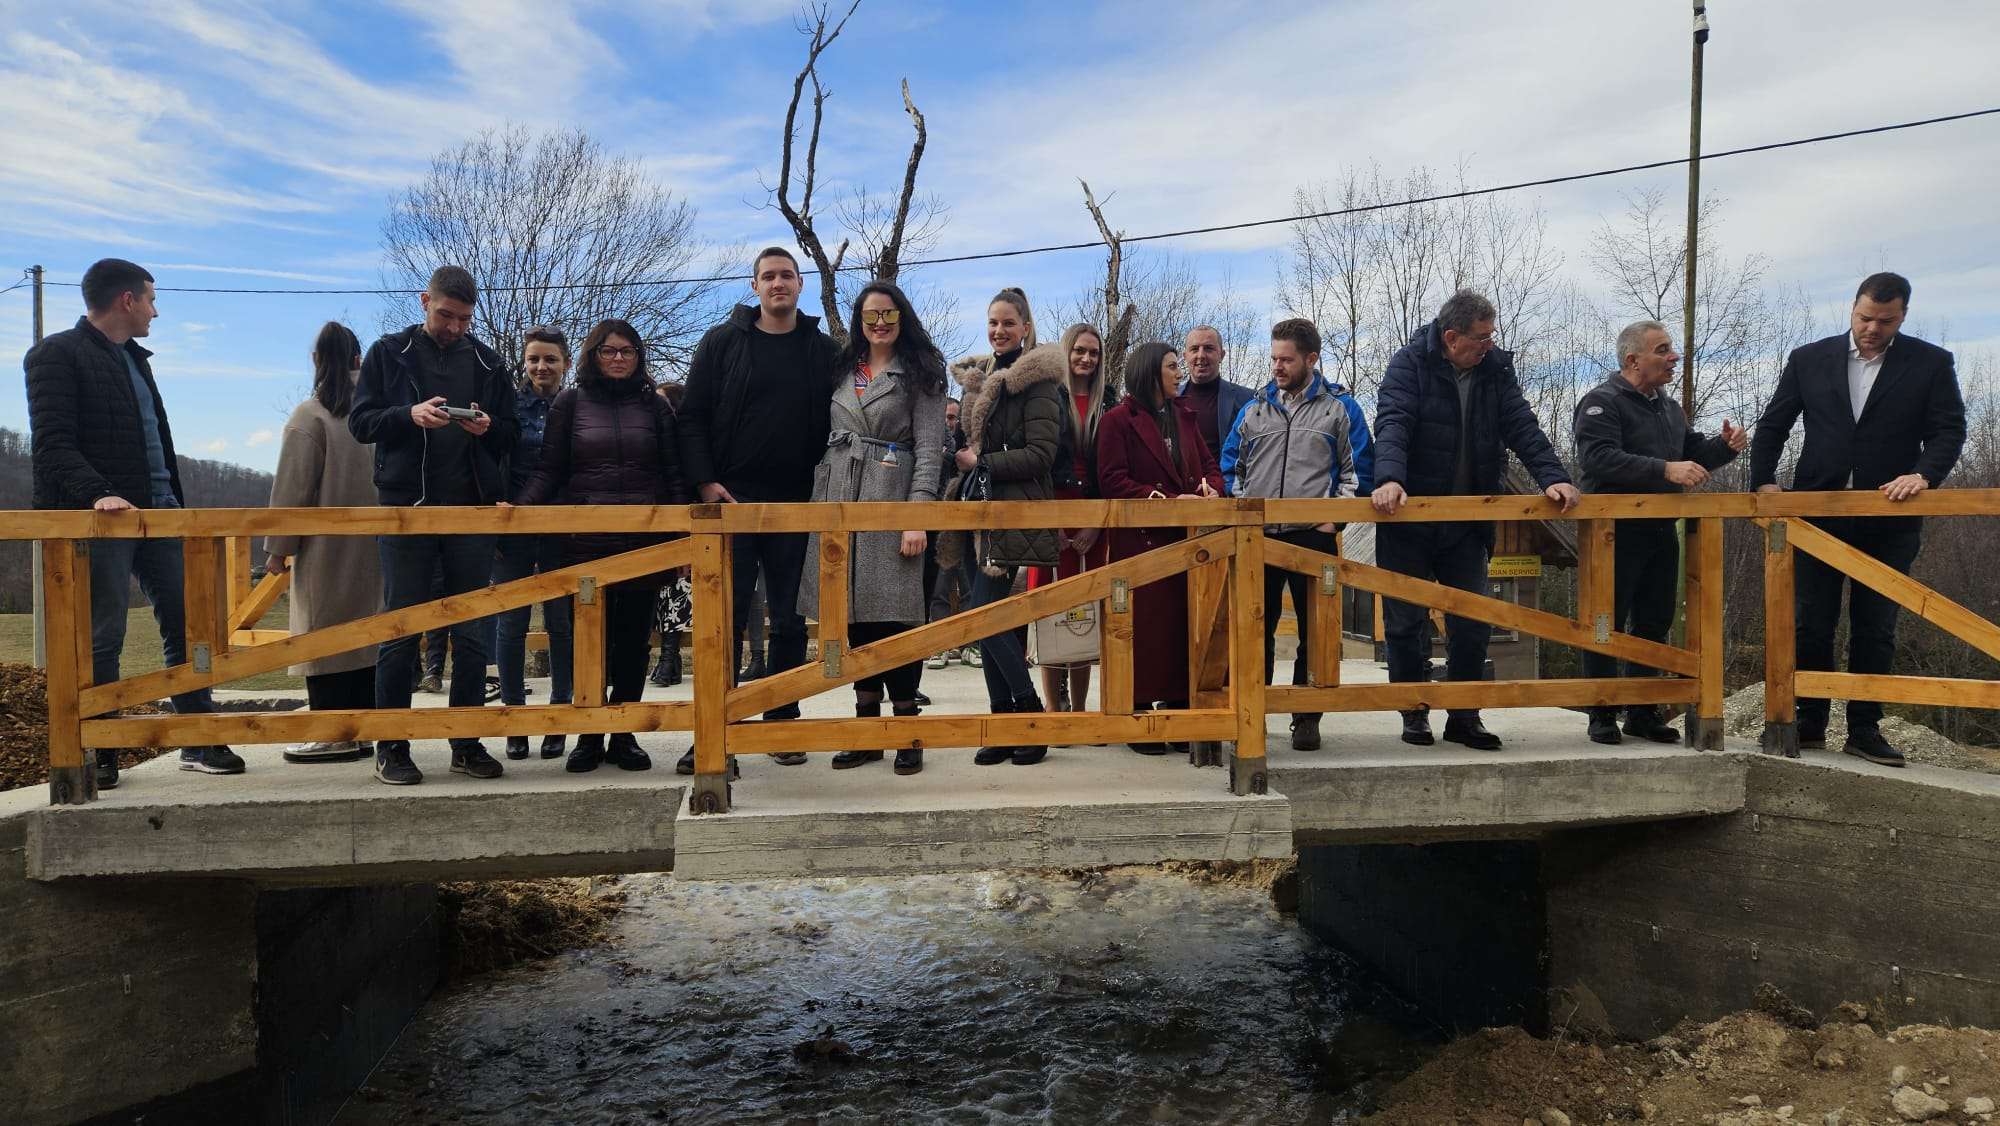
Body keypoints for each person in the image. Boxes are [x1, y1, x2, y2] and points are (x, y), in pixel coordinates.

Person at [24, 257, 243, 786]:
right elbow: (52, 446)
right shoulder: (54, 354)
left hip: (161, 514)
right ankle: (102, 748)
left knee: (191, 625)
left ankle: (198, 737)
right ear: (126, 300)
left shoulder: (137, 360)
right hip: (102, 521)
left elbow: (153, 445)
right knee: (103, 635)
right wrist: (100, 494)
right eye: (150, 298)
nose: (155, 310)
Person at [1749, 272, 1966, 767]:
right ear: (1853, 308)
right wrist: (1764, 482)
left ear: (1902, 317)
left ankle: (1865, 728)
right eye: (1865, 317)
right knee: (1810, 622)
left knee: (1876, 626)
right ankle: (1808, 721)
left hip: (1889, 516)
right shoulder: (1808, 358)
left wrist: (1924, 475)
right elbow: (1774, 423)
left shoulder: (1931, 363)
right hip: (1816, 515)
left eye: (1884, 321)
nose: (1872, 328)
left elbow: (1949, 429)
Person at [1370, 290, 1577, 750]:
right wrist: (1389, 478)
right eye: (1481, 337)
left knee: (1474, 620)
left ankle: (1465, 715)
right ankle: (1414, 711)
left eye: (1491, 335)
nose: (1489, 343)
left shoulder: (1496, 370)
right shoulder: (1409, 365)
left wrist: (1553, 478)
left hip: (1467, 522)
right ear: (1450, 337)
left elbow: (1523, 425)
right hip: (1409, 519)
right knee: (1405, 621)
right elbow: (1394, 422)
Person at [348, 265, 518, 786]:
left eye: (465, 319)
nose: (454, 327)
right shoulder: (387, 353)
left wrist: (487, 428)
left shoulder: (489, 361)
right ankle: (391, 746)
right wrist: (408, 415)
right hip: (407, 508)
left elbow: (510, 434)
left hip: (470, 510)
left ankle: (465, 743)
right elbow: (361, 423)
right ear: (424, 301)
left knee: (471, 631)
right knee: (399, 628)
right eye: (446, 315)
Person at [676, 247, 838, 772]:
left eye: (787, 275)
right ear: (754, 286)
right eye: (768, 276)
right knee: (723, 616)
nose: (778, 284)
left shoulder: (821, 349)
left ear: (800, 284)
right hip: (732, 501)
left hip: (799, 502)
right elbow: (692, 416)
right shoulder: (723, 343)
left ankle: (782, 721)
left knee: (790, 618)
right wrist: (704, 482)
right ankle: (717, 728)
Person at [512, 318, 684, 773]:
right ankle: (589, 735)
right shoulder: (570, 403)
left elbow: (673, 475)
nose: (618, 358)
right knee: (588, 645)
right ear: (593, 355)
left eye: (627, 351)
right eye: (609, 351)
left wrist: (686, 539)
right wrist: (517, 508)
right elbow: (549, 471)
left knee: (632, 647)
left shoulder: (656, 408)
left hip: (644, 547)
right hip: (583, 547)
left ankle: (623, 733)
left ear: (638, 357)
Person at [1574, 320, 1747, 746]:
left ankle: (1642, 711)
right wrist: (1664, 469)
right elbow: (1598, 459)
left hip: (1659, 530)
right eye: (1663, 350)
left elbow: (1689, 454)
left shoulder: (1669, 408)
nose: (1675, 358)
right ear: (1633, 359)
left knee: (1654, 620)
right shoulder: (1602, 401)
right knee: (1603, 622)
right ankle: (1601, 711)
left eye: (1673, 350)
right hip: (1611, 533)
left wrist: (1724, 448)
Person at [803, 281, 949, 776]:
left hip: (893, 495)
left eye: (888, 314)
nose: (880, 323)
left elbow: (931, 449)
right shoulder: (844, 367)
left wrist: (918, 515)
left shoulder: (923, 372)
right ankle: (866, 731)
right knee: (854, 615)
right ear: (859, 320)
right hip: (839, 494)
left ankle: (907, 730)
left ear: (902, 316)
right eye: (871, 316)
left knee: (897, 616)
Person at [1220, 318, 1358, 753]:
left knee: (1316, 632)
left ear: (1311, 359)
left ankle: (1306, 716)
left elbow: (1360, 472)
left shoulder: (1341, 408)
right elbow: (1230, 466)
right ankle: (1253, 712)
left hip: (1312, 537)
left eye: (1286, 359)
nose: (1277, 366)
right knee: (1253, 629)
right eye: (1274, 358)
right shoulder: (1254, 408)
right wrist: (1246, 513)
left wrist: (1332, 521)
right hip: (1258, 538)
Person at [1096, 341, 1225, 754]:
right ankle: (1138, 715)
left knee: (1180, 626)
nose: (1179, 373)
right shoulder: (1118, 420)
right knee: (1145, 629)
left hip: (1187, 540)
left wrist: (1211, 489)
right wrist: (1165, 502)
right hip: (1142, 542)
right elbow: (1112, 479)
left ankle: (1178, 709)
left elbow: (1209, 465)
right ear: (1152, 372)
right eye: (1172, 366)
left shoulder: (1185, 416)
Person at [951, 288, 1062, 766]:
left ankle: (1030, 717)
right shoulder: (980, 380)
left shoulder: (1036, 382)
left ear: (1026, 328)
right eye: (992, 322)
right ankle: (1002, 725)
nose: (999, 331)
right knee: (987, 620)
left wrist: (983, 462)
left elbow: (1042, 454)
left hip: (1017, 511)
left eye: (1008, 324)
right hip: (980, 516)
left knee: (987, 619)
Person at [265, 322, 382, 765]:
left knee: (321, 633)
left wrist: (279, 547)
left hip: (325, 548)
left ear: (316, 361)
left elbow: (293, 489)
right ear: (359, 360)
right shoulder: (379, 412)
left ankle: (332, 733)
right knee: (369, 632)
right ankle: (363, 729)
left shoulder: (310, 416)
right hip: (379, 544)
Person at [492, 325, 574, 761]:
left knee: (562, 625)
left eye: (551, 359)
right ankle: (515, 719)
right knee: (512, 625)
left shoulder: (576, 405)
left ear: (566, 364)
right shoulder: (506, 406)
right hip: (514, 525)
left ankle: (560, 715)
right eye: (534, 359)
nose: (542, 367)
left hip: (562, 526)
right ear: (524, 363)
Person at [1030, 323, 1111, 715]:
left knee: (1085, 612)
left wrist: (1097, 524)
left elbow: (1111, 470)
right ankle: (1052, 708)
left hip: (1093, 511)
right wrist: (1051, 522)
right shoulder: (1047, 397)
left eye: (1094, 353)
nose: (1086, 358)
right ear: (1067, 352)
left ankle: (1079, 710)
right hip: (1053, 507)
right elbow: (1039, 463)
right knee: (1049, 608)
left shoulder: (1108, 403)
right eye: (1079, 350)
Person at [927, 395, 975, 670]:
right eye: (946, 417)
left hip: (966, 523)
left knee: (969, 585)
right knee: (940, 587)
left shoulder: (969, 445)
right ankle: (940, 645)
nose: (950, 422)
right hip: (941, 522)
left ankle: (971, 644)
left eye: (954, 417)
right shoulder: (934, 444)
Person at [650, 381, 692, 689]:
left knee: (676, 588)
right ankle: (666, 659)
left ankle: (669, 658)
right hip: (654, 525)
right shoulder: (652, 441)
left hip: (687, 526)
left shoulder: (689, 445)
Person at [1177, 325, 1254, 463]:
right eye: (1194, 349)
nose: (1200, 355)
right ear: (1185, 356)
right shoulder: (1168, 399)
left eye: (1208, 348)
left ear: (1221, 355)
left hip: (1224, 483)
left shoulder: (1247, 400)